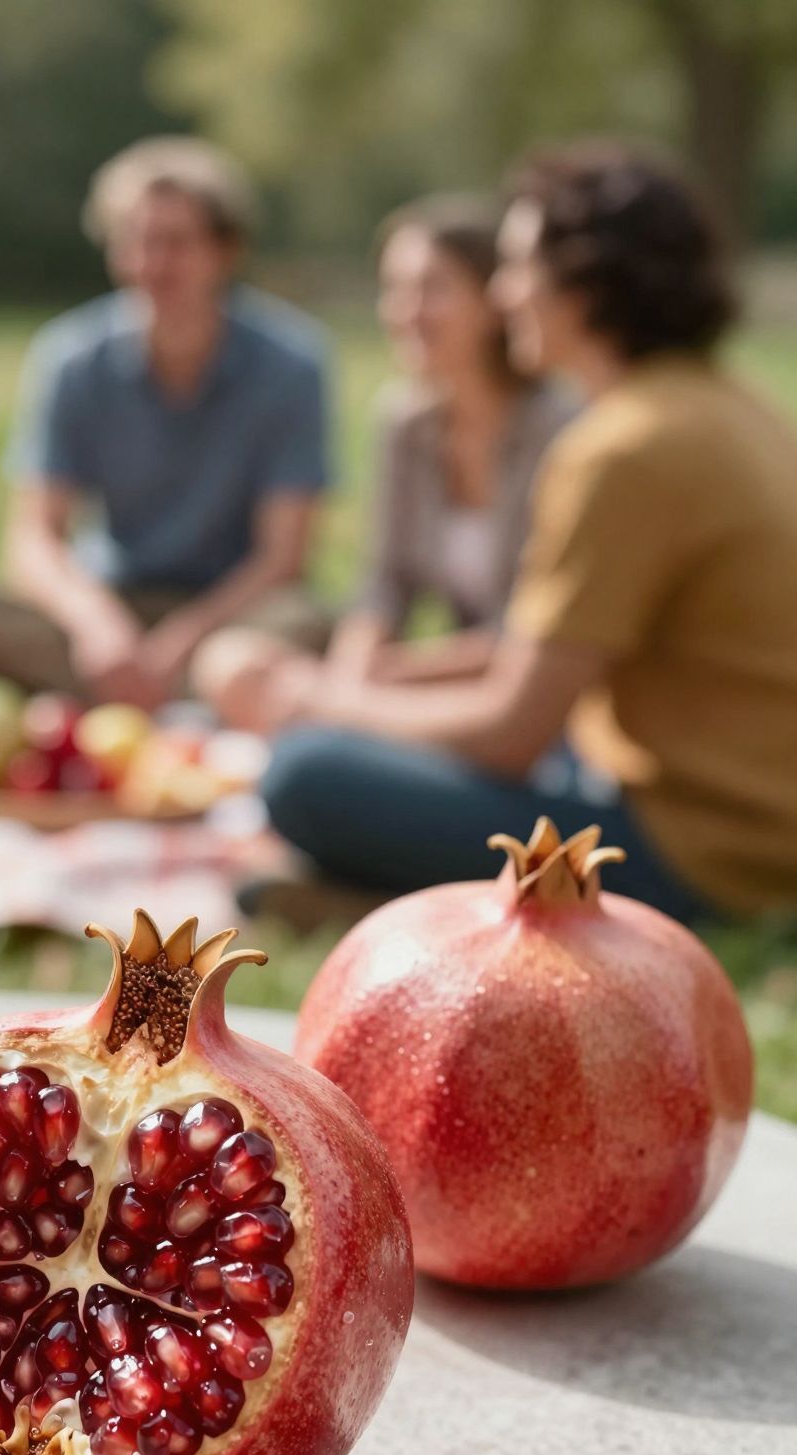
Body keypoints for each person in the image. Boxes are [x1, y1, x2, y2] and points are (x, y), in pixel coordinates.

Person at [205, 143, 797, 923]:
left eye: (519, 268)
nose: (508, 293)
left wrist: (323, 699)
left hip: (703, 852)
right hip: (749, 824)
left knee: (304, 773)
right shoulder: (730, 406)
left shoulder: (624, 446)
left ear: (585, 283)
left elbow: (511, 730)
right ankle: (376, 901)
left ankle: (391, 904)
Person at [0, 137, 332, 706]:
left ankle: (175, 692)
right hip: (111, 604)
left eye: (175, 243)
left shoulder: (292, 365)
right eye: (136, 242)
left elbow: (282, 558)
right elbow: (34, 538)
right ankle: (165, 695)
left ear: (226, 250)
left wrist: (185, 641)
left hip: (232, 617)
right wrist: (97, 626)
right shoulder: (71, 357)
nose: (152, 264)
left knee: (304, 625)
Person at [253, 196, 574, 700]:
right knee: (242, 668)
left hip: (532, 695)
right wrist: (350, 675)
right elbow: (385, 587)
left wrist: (381, 681)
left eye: (432, 289)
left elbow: (541, 632)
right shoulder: (404, 423)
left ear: (495, 301)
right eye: (395, 290)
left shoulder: (562, 429)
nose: (406, 312)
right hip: (437, 678)